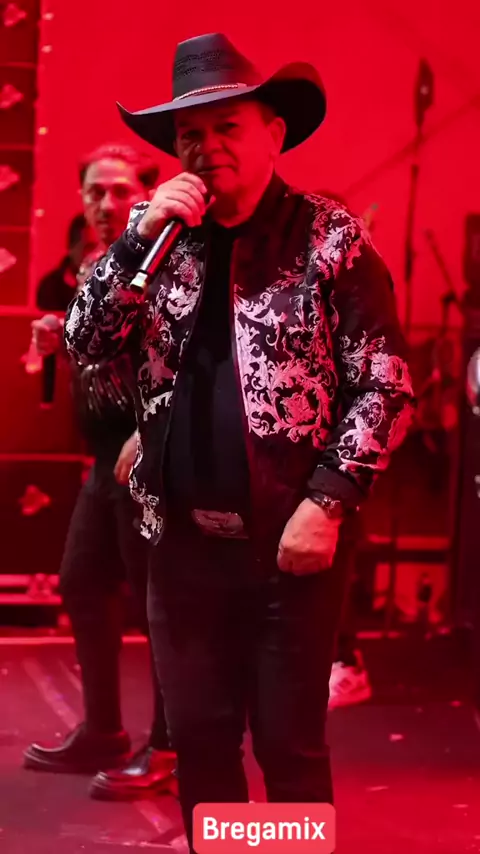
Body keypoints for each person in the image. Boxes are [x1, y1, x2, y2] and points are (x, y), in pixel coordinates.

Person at [64, 33, 415, 849]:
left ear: (274, 135)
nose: (207, 146)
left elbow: (386, 383)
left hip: (289, 547)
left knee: (289, 751)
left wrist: (329, 500)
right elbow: (87, 341)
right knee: (202, 745)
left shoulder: (328, 237)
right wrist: (137, 238)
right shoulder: (160, 240)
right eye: (191, 133)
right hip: (181, 548)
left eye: (228, 127)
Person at [24, 144, 176, 801]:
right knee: (82, 582)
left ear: (145, 192)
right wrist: (59, 335)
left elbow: (194, 354)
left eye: (120, 191)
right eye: (95, 192)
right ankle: (105, 730)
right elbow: (104, 344)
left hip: (149, 457)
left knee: (158, 606)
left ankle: (170, 746)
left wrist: (152, 431)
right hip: (101, 459)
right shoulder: (97, 266)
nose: (106, 204)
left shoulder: (169, 260)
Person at [36, 213, 95, 312]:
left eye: (103, 249)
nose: (98, 255)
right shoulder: (50, 287)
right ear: (71, 248)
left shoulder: (112, 287)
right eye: (89, 248)